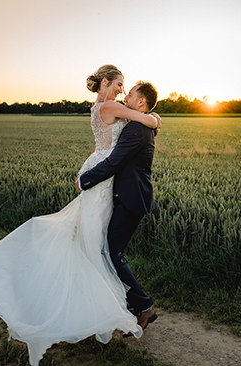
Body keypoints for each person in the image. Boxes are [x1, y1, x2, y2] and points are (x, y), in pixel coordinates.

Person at [0, 64, 161, 366]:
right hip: (103, 178)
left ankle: (105, 308)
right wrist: (153, 117)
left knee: (95, 244)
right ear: (106, 82)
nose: (121, 90)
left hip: (104, 178)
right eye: (119, 84)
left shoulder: (99, 106)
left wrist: (148, 117)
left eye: (125, 86)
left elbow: (124, 131)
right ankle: (109, 309)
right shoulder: (110, 105)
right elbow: (142, 118)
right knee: (98, 246)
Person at [76, 80, 159, 332]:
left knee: (112, 252)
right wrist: (154, 119)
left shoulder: (136, 130)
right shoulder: (138, 124)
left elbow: (113, 162)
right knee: (110, 250)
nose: (126, 95)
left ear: (141, 102)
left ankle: (143, 307)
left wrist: (85, 180)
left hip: (131, 199)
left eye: (131, 93)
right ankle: (132, 304)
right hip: (125, 196)